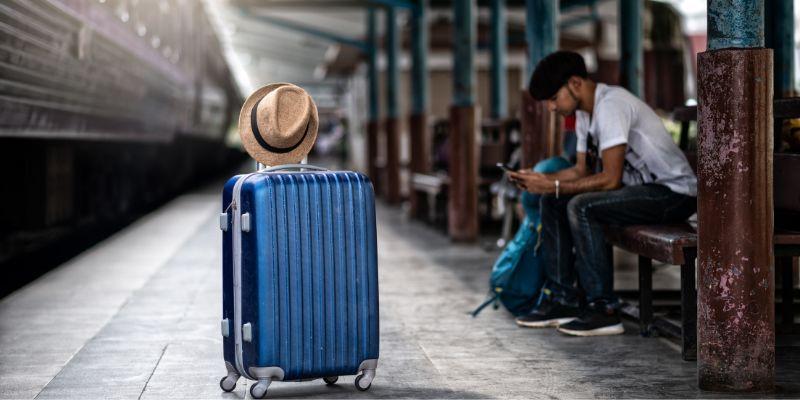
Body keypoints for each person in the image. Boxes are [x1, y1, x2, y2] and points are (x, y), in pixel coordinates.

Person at [508, 51, 697, 336]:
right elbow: (582, 171)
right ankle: (563, 300)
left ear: (574, 83)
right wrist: (541, 180)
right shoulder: (585, 112)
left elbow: (609, 180)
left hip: (673, 193)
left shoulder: (612, 105)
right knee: (552, 201)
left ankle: (604, 308)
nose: (551, 107)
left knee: (581, 207)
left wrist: (554, 184)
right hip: (642, 192)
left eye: (553, 98)